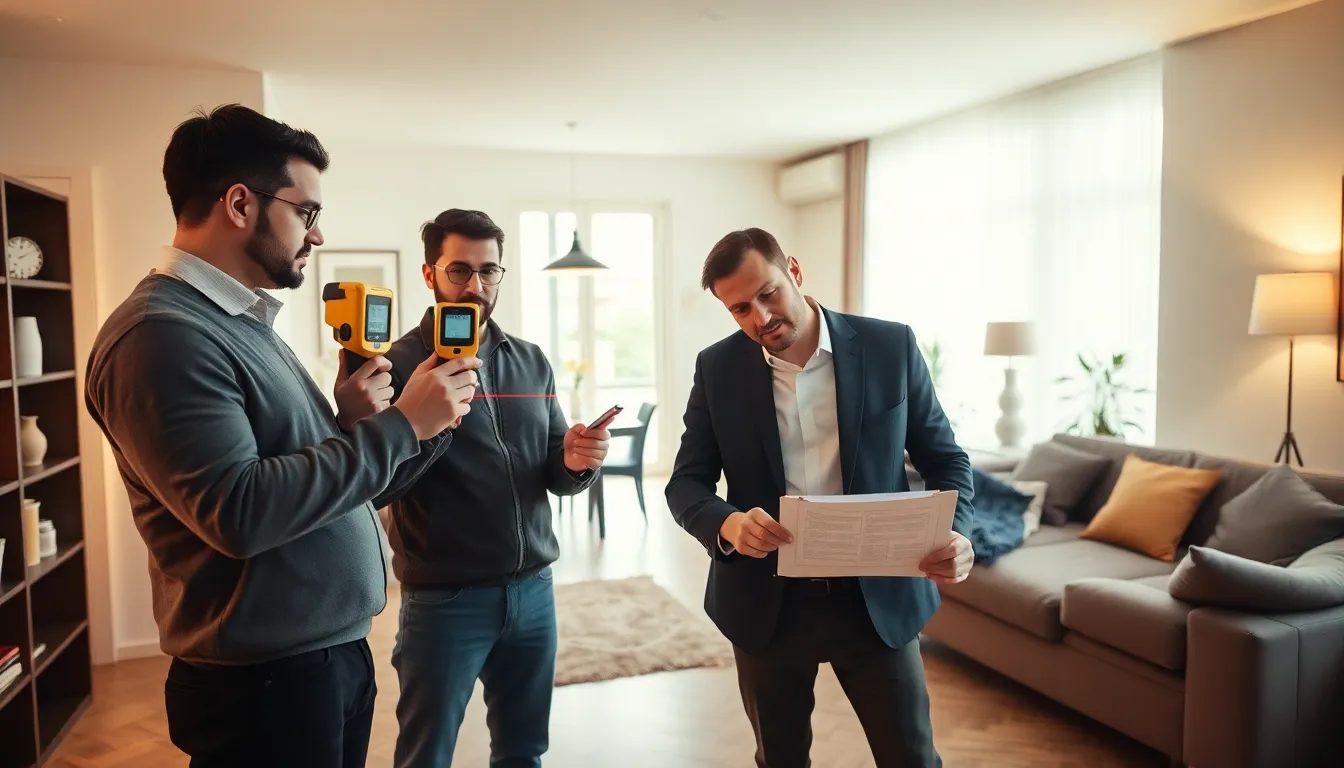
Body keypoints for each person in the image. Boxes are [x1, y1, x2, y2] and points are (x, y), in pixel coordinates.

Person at [83, 104, 481, 768]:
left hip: (321, 661)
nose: (317, 236)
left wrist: (357, 425)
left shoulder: (239, 322)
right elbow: (237, 511)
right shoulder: (161, 335)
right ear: (240, 203)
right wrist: (402, 425)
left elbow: (300, 470)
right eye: (307, 213)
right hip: (264, 684)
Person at [665, 227, 976, 768]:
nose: (759, 318)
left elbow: (946, 458)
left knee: (913, 758)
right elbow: (686, 484)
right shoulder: (717, 368)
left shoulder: (889, 346)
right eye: (740, 309)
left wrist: (959, 532)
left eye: (767, 294)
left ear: (794, 270)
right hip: (766, 605)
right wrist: (729, 525)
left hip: (878, 599)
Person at [379, 208, 611, 768]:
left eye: (489, 271)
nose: (476, 285)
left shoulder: (531, 361)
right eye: (459, 270)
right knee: (424, 755)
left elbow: (553, 472)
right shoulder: (395, 366)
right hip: (445, 601)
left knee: (524, 752)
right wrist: (428, 426)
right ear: (430, 274)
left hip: (534, 592)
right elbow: (379, 485)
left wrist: (579, 462)